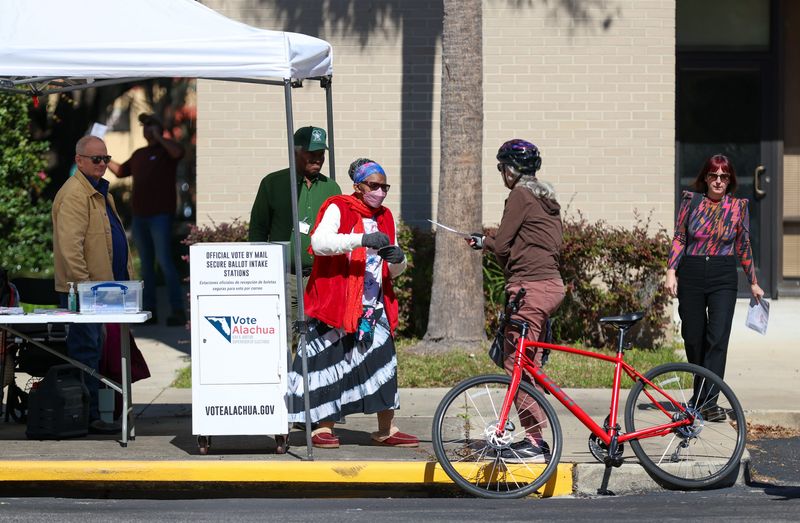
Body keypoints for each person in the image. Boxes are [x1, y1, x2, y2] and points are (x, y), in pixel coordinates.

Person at [285, 159, 418, 449]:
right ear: (357, 187)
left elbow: (390, 268)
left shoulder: (385, 217)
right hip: (336, 303)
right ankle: (323, 428)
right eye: (374, 185)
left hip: (372, 305)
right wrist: (361, 239)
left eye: (385, 186)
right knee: (330, 363)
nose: (380, 192)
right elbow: (319, 243)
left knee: (382, 363)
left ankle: (386, 429)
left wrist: (399, 261)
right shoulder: (338, 207)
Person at [467, 139, 565, 463]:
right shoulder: (545, 197)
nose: (500, 174)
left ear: (510, 169)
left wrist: (486, 242)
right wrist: (489, 243)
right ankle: (534, 433)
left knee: (515, 366)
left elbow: (505, 245)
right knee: (528, 366)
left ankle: (535, 442)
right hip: (549, 285)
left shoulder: (520, 195)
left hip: (530, 288)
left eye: (500, 168)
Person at [665, 154, 764, 421]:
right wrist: (671, 271)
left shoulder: (738, 207)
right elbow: (679, 237)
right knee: (694, 338)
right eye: (713, 175)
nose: (718, 181)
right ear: (705, 178)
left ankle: (708, 403)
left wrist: (753, 282)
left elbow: (743, 244)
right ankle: (701, 396)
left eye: (724, 176)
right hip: (692, 273)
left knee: (717, 339)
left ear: (730, 180)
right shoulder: (691, 201)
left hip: (723, 275)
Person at [52, 135, 135, 434]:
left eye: (104, 158)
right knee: (86, 350)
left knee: (103, 351)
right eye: (95, 159)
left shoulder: (99, 192)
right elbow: (70, 248)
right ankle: (85, 417)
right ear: (79, 160)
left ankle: (101, 412)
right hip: (87, 292)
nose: (102, 164)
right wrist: (84, 290)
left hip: (107, 290)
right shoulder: (75, 195)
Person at [249, 126, 341, 323]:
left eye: (321, 153)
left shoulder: (331, 188)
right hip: (284, 276)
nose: (317, 158)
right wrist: (260, 271)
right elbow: (258, 228)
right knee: (285, 334)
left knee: (318, 338)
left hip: (321, 277)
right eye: (311, 153)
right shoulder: (273, 183)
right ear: (295, 151)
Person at [108, 113, 186, 327]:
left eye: (150, 125)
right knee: (146, 266)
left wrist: (160, 137)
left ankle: (178, 310)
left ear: (159, 129)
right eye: (144, 126)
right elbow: (121, 171)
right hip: (140, 216)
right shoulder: (139, 154)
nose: (146, 129)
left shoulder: (166, 151)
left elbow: (179, 152)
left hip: (161, 215)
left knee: (164, 262)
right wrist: (104, 158)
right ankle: (150, 311)